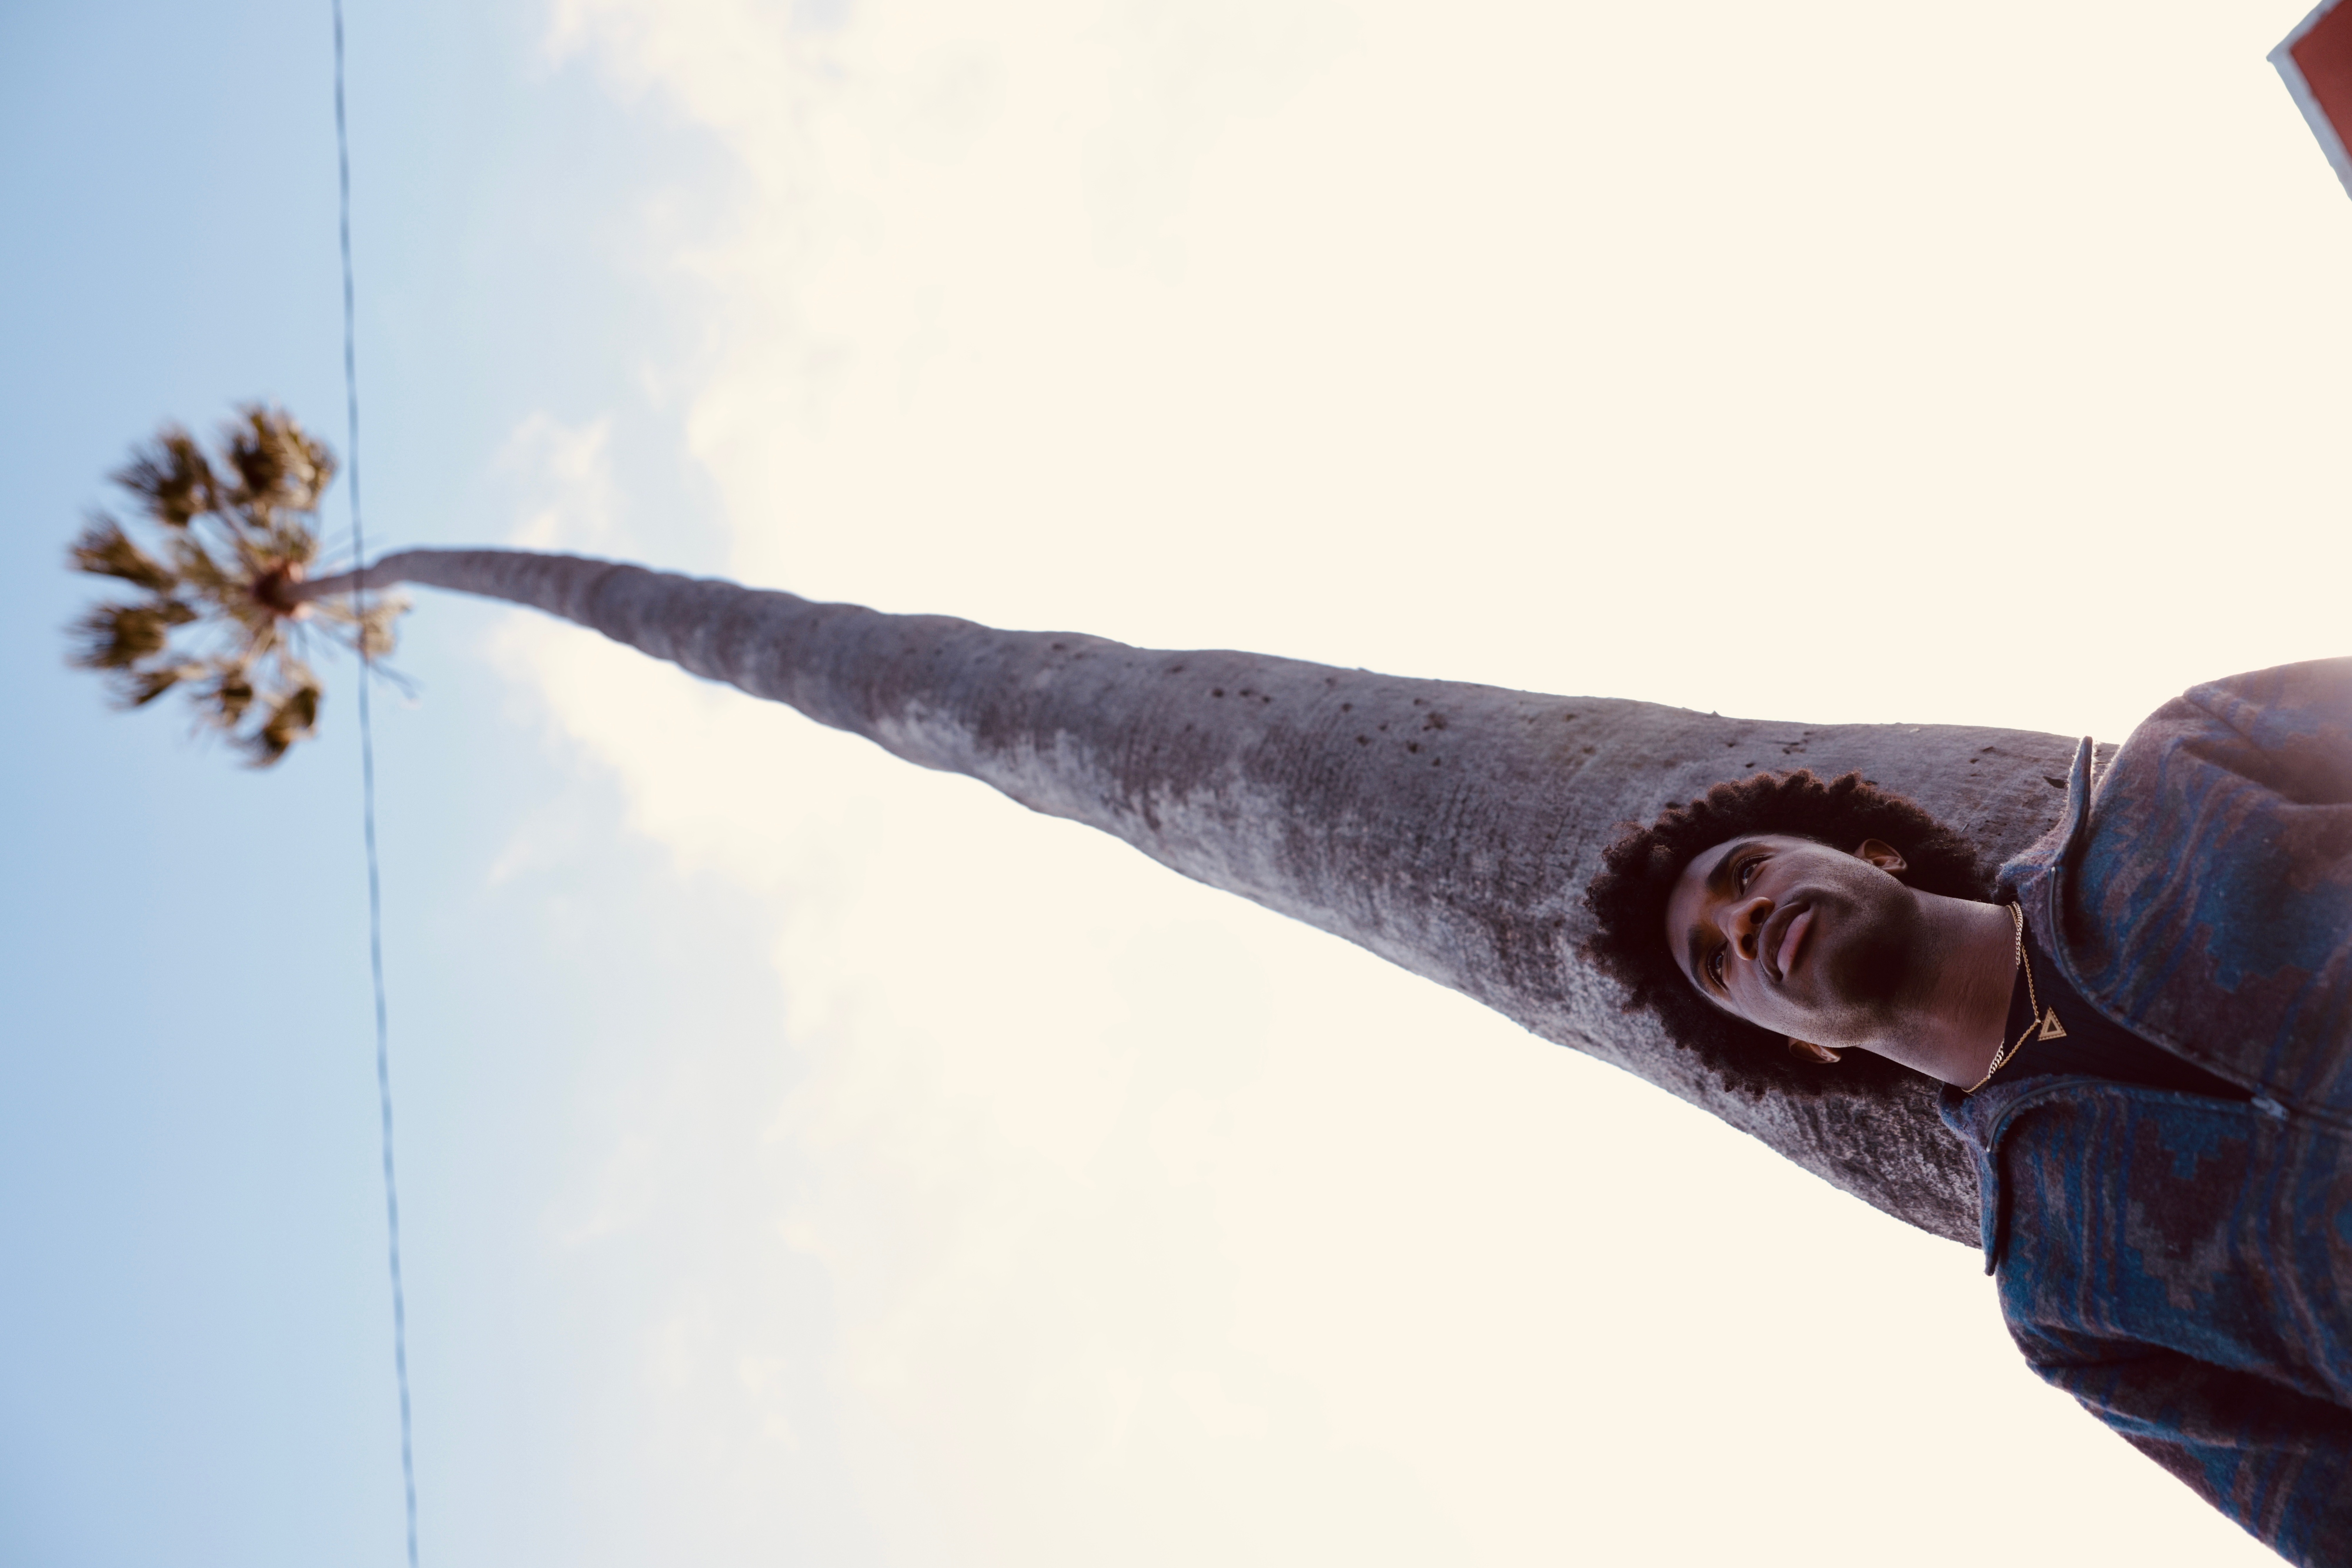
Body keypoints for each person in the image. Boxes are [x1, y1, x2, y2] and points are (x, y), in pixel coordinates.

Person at [1582, 659, 2352, 1568]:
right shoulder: (2067, 1306)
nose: (1743, 923)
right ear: (1799, 1046)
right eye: (1718, 963)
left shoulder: (2183, 766)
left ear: (1873, 852)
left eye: (1745, 873)